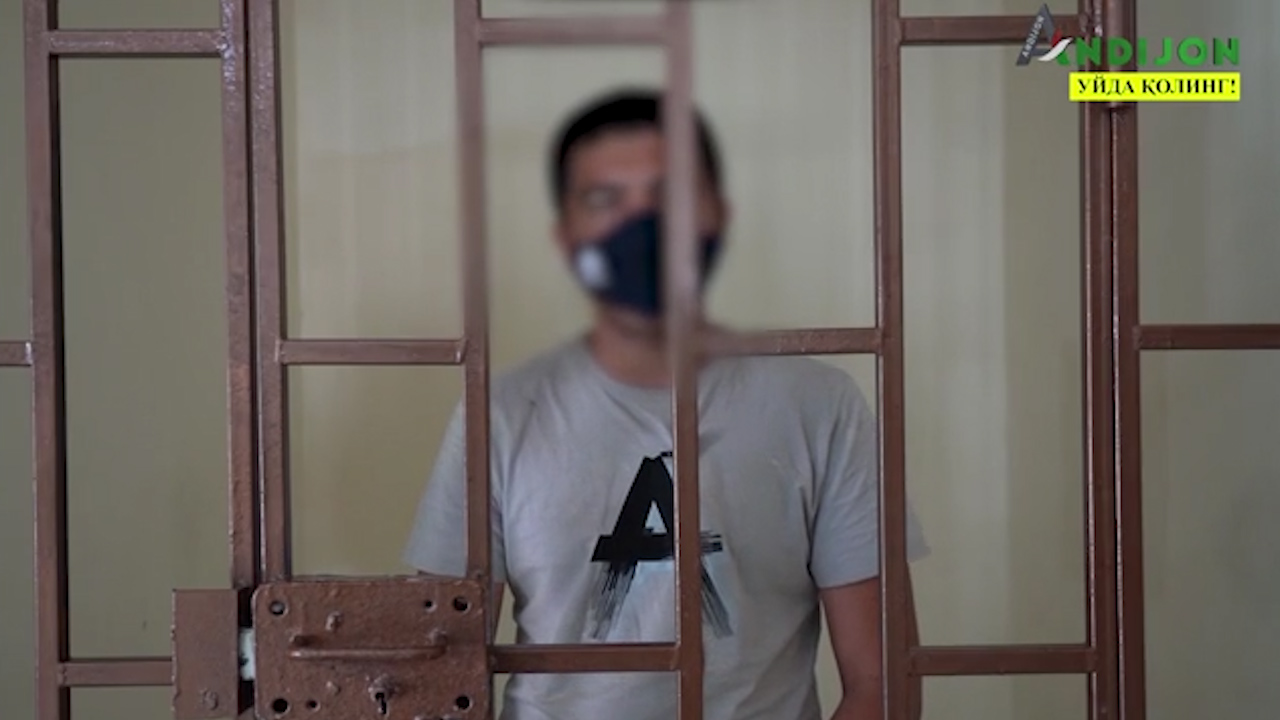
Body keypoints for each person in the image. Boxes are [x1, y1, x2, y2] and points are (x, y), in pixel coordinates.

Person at [404, 88, 930, 720]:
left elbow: (882, 685)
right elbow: (434, 676)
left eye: (670, 195)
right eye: (605, 200)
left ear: (717, 214)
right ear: (565, 235)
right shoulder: (501, 415)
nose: (643, 224)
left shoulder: (819, 407)